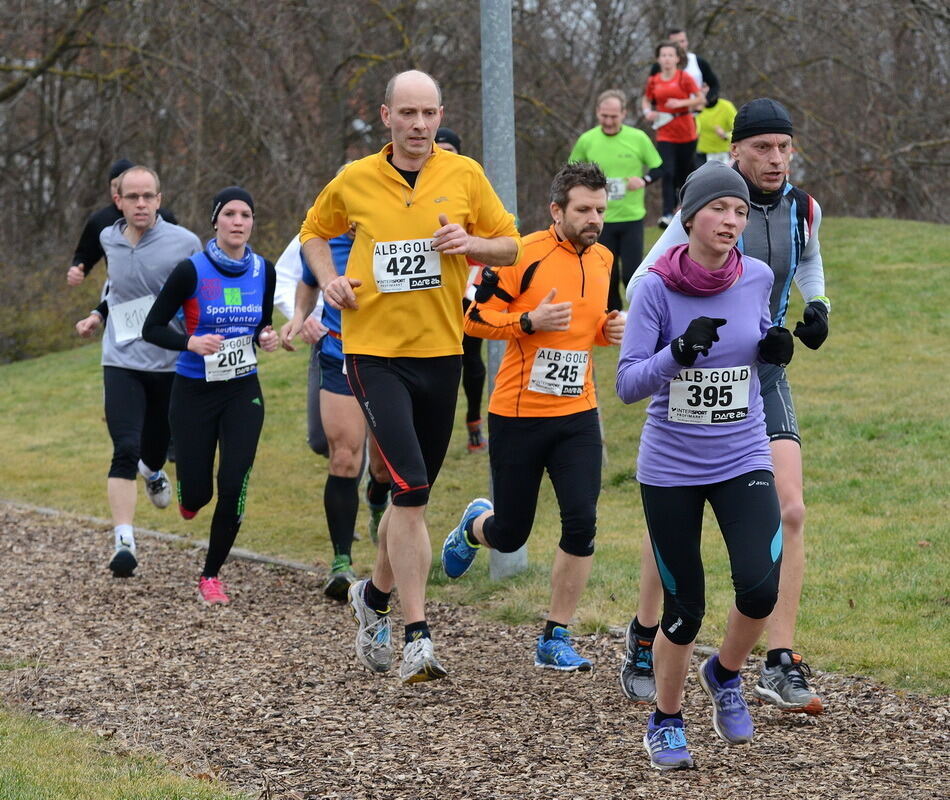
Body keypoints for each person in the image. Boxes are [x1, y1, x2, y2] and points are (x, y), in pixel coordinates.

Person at [296, 70, 521, 683]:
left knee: (408, 497)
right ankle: (417, 635)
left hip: (441, 353)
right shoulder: (356, 179)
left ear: (440, 113)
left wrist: (469, 242)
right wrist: (330, 281)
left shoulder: (464, 174)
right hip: (372, 353)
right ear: (386, 116)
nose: (419, 125)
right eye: (408, 114)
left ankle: (371, 597)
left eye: (429, 113)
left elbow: (512, 246)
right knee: (414, 488)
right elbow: (313, 234)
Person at [623, 98, 830, 715]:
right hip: (686, 391)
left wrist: (815, 310)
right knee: (674, 532)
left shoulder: (803, 209)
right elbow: (643, 287)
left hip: (757, 379)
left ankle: (776, 659)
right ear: (735, 153)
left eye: (783, 147)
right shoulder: (700, 206)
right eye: (762, 148)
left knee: (789, 510)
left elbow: (807, 264)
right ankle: (647, 631)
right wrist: (675, 337)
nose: (775, 158)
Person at [617, 161, 795, 769]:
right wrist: (677, 353)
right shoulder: (653, 289)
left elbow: (761, 340)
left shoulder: (759, 276)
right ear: (691, 217)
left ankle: (724, 673)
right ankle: (665, 720)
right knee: (684, 605)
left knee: (760, 585)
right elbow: (627, 384)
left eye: (741, 211)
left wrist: (776, 348)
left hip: (742, 452)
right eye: (721, 208)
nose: (732, 219)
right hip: (671, 467)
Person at [441, 161, 624, 670]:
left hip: (578, 414)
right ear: (557, 210)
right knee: (511, 533)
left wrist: (609, 328)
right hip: (519, 414)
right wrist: (527, 320)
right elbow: (471, 319)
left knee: (582, 522)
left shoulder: (607, 258)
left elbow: (595, 322)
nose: (594, 220)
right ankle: (476, 524)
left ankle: (554, 636)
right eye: (584, 210)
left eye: (601, 210)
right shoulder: (523, 254)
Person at [142, 187, 278, 605]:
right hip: (193, 391)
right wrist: (190, 343)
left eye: (247, 215)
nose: (239, 222)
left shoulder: (264, 271)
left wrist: (266, 336)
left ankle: (211, 575)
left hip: (242, 390)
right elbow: (153, 327)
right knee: (197, 494)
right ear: (215, 221)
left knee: (234, 482)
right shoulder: (191, 271)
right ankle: (187, 496)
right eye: (231, 214)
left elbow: (263, 323)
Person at [73, 166, 201, 577]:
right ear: (119, 201)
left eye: (148, 196)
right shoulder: (108, 237)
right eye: (133, 197)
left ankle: (153, 470)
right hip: (121, 358)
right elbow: (116, 286)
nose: (141, 204)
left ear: (159, 200)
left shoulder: (185, 243)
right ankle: (124, 542)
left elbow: (199, 295)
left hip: (168, 362)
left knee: (153, 448)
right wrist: (96, 314)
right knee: (124, 447)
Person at [280, 225, 392, 600]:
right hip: (338, 354)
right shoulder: (325, 241)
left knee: (382, 464)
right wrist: (300, 315)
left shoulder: (399, 231)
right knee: (344, 457)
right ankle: (341, 562)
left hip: (389, 360)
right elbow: (308, 281)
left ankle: (378, 500)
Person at [568, 90, 662, 310]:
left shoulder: (637, 138)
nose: (609, 122)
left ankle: (639, 313)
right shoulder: (587, 140)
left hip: (631, 217)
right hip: (599, 219)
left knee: (632, 274)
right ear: (598, 113)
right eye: (604, 116)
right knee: (607, 273)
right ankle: (613, 319)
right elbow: (570, 173)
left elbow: (660, 167)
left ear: (624, 114)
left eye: (614, 116)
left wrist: (644, 180)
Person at [434, 126, 488, 452]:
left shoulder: (470, 186)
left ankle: (473, 421)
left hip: (469, 286)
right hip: (431, 291)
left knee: (472, 357)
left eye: (449, 151)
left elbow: (494, 237)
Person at [67, 159, 179, 286]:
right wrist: (78, 268)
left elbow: (179, 250)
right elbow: (85, 255)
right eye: (115, 186)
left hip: (159, 284)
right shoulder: (100, 221)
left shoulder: (163, 217)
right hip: (118, 287)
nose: (118, 190)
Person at [274, 235, 329, 459]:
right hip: (328, 340)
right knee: (320, 440)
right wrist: (304, 318)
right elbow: (283, 277)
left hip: (380, 343)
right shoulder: (320, 225)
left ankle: (376, 487)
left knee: (352, 444)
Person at [642, 41, 704, 229]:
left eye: (671, 55)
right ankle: (667, 213)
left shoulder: (684, 78)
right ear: (658, 59)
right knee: (667, 172)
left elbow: (700, 99)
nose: (667, 59)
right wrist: (648, 112)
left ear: (677, 58)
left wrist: (680, 103)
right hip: (665, 133)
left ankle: (685, 208)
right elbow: (646, 99)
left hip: (686, 132)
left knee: (684, 174)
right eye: (663, 55)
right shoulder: (654, 80)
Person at [648, 28, 720, 109]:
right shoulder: (658, 66)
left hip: (695, 113)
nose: (680, 45)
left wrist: (706, 101)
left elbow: (714, 85)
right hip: (667, 114)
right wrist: (648, 111)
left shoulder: (698, 62)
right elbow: (649, 95)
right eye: (676, 43)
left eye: (682, 41)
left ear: (687, 42)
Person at [696, 96, 737, 165]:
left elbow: (738, 130)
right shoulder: (696, 106)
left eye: (706, 86)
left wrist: (725, 135)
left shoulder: (726, 106)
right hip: (701, 154)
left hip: (722, 154)